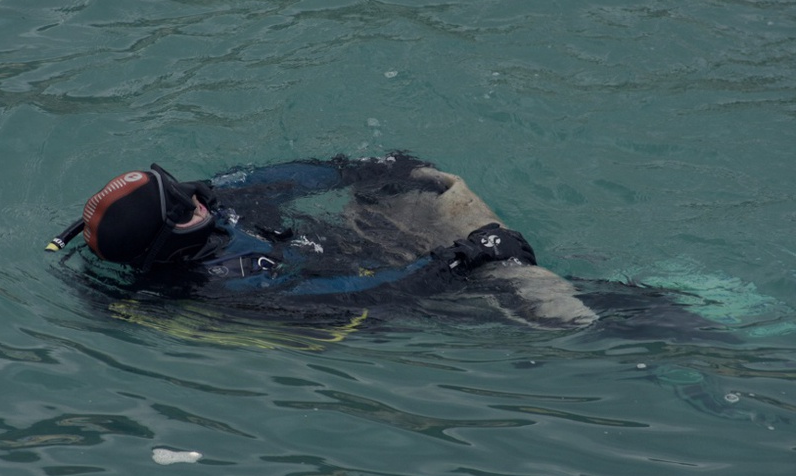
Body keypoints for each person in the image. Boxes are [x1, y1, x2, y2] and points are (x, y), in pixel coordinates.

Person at [47, 153, 600, 328]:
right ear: (169, 243)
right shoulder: (224, 285)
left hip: (369, 256)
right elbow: (358, 297)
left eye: (179, 188)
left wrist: (354, 169)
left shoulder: (205, 206)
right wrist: (463, 258)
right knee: (581, 304)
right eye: (182, 206)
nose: (197, 200)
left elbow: (280, 180)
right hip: (403, 294)